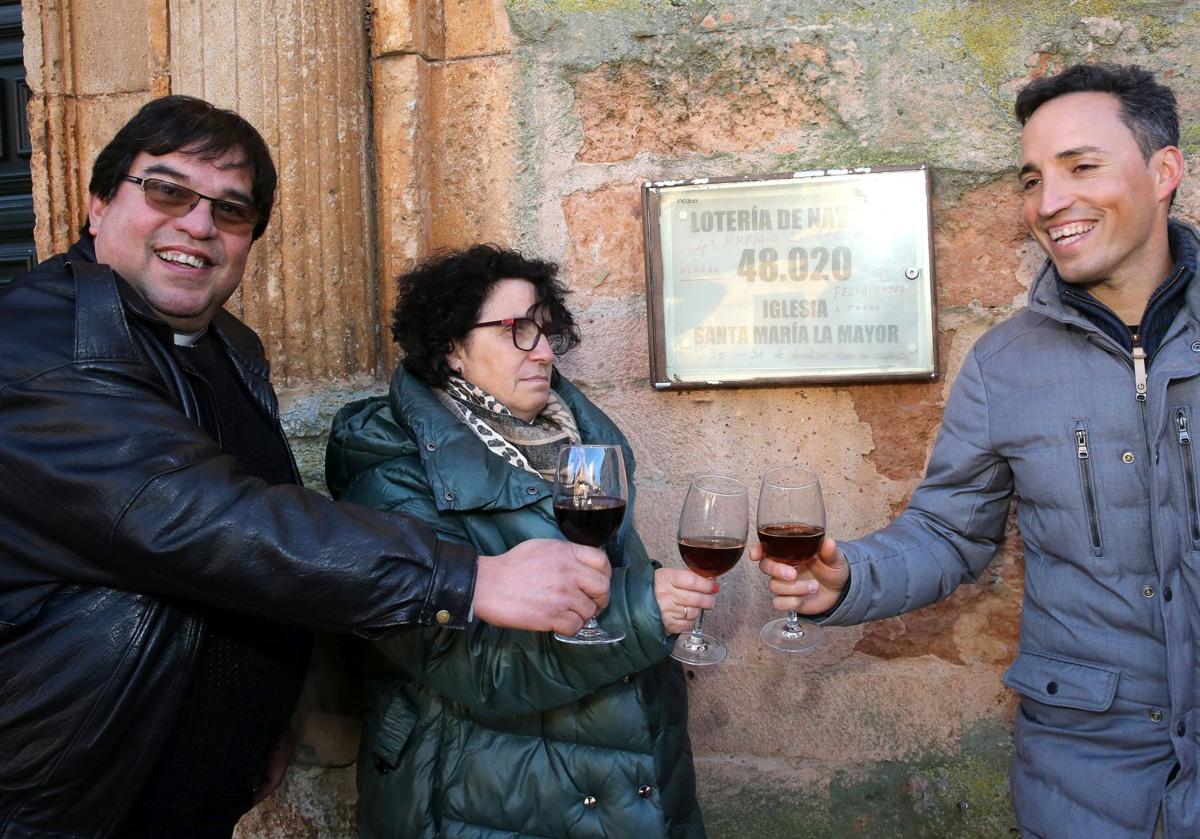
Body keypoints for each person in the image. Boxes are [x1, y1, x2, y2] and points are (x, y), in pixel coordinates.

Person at [0, 96, 613, 839]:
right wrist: (471, 577)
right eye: (166, 190)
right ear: (98, 205)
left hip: (187, 788)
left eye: (231, 210)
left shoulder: (226, 346)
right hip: (67, 801)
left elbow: (256, 548)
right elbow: (202, 518)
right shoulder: (38, 340)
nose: (198, 224)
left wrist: (275, 710)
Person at [756, 63, 1194, 837]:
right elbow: (950, 530)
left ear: (1164, 172)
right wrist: (848, 578)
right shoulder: (1004, 363)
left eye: (1081, 166)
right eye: (1032, 178)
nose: (1049, 202)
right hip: (1083, 784)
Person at [325, 244, 714, 838]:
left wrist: (654, 595)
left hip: (629, 786)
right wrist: (643, 609)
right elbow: (472, 664)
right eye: (517, 331)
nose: (544, 352)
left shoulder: (576, 441)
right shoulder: (393, 477)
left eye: (548, 331)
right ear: (451, 348)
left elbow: (598, 573)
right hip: (489, 799)